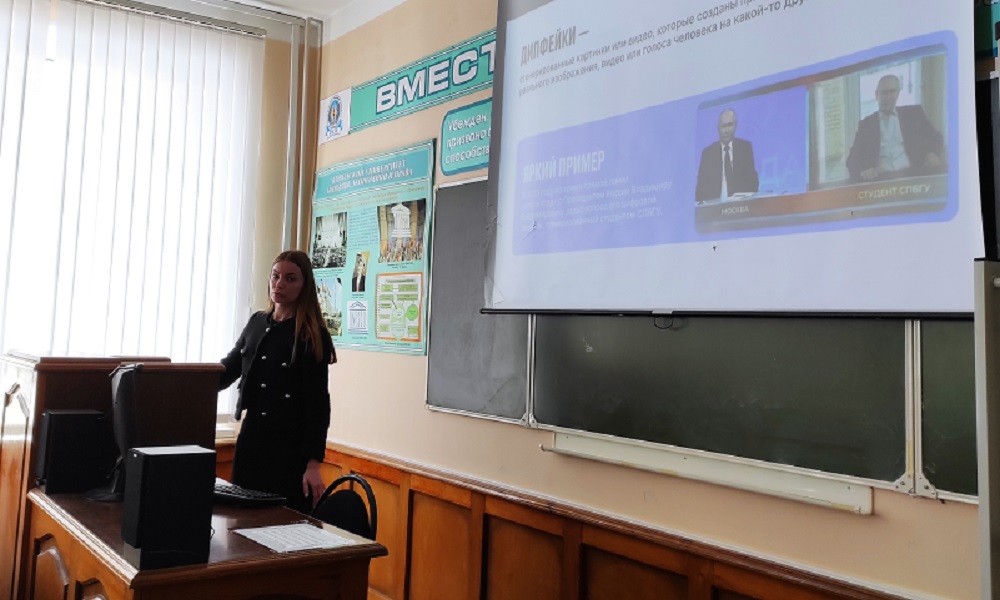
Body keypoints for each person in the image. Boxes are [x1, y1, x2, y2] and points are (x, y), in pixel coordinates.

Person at [220, 250, 337, 513]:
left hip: (289, 449)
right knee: (240, 518)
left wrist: (313, 464)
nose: (279, 284)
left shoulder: (311, 333)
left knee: (281, 522)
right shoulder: (257, 322)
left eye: (290, 278)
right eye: (275, 276)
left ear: (304, 285)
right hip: (251, 441)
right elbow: (227, 369)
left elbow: (318, 405)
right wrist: (190, 380)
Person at [846, 74, 944, 182]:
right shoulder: (866, 125)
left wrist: (932, 153)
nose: (888, 97)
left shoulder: (914, 114)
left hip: (912, 176)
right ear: (876, 95)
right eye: (884, 92)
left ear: (898, 93)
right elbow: (852, 160)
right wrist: (864, 170)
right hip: (881, 180)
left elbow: (936, 137)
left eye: (892, 92)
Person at [695, 108, 759, 202]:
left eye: (730, 125)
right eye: (723, 126)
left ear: (735, 125)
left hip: (740, 206)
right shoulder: (708, 153)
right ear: (718, 128)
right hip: (715, 207)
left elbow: (753, 182)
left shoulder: (745, 148)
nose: (727, 130)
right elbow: (700, 189)